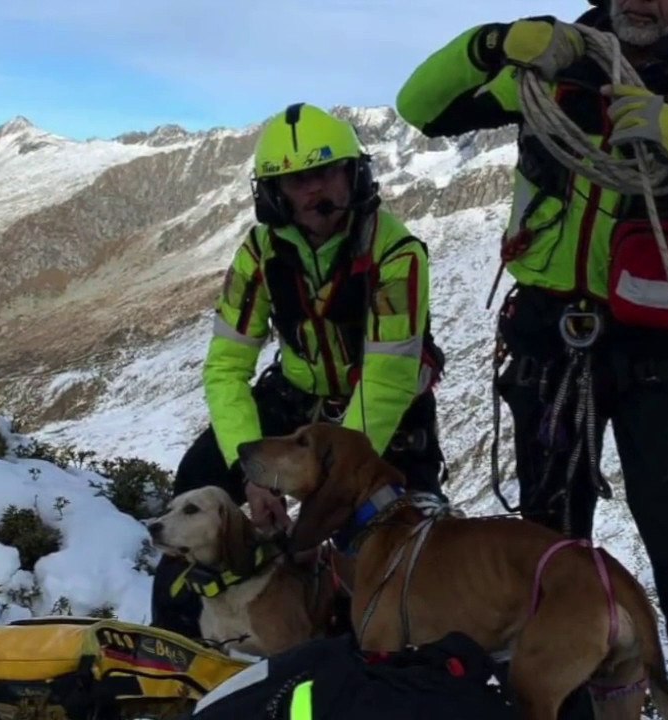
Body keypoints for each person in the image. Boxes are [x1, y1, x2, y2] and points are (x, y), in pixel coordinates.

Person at [395, 1, 668, 718]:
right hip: (552, 348)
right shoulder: (553, 75)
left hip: (664, 357)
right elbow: (421, 107)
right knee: (548, 563)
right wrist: (493, 45)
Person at [151, 102, 449, 642]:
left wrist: (322, 496)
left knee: (409, 541)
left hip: (385, 415)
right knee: (198, 481)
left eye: (326, 173)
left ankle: (379, 655)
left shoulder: (396, 254)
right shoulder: (261, 254)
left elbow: (385, 381)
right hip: (295, 401)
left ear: (353, 175)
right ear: (273, 194)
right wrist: (251, 471)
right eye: (296, 182)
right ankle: (181, 639)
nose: (315, 192)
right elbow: (226, 367)